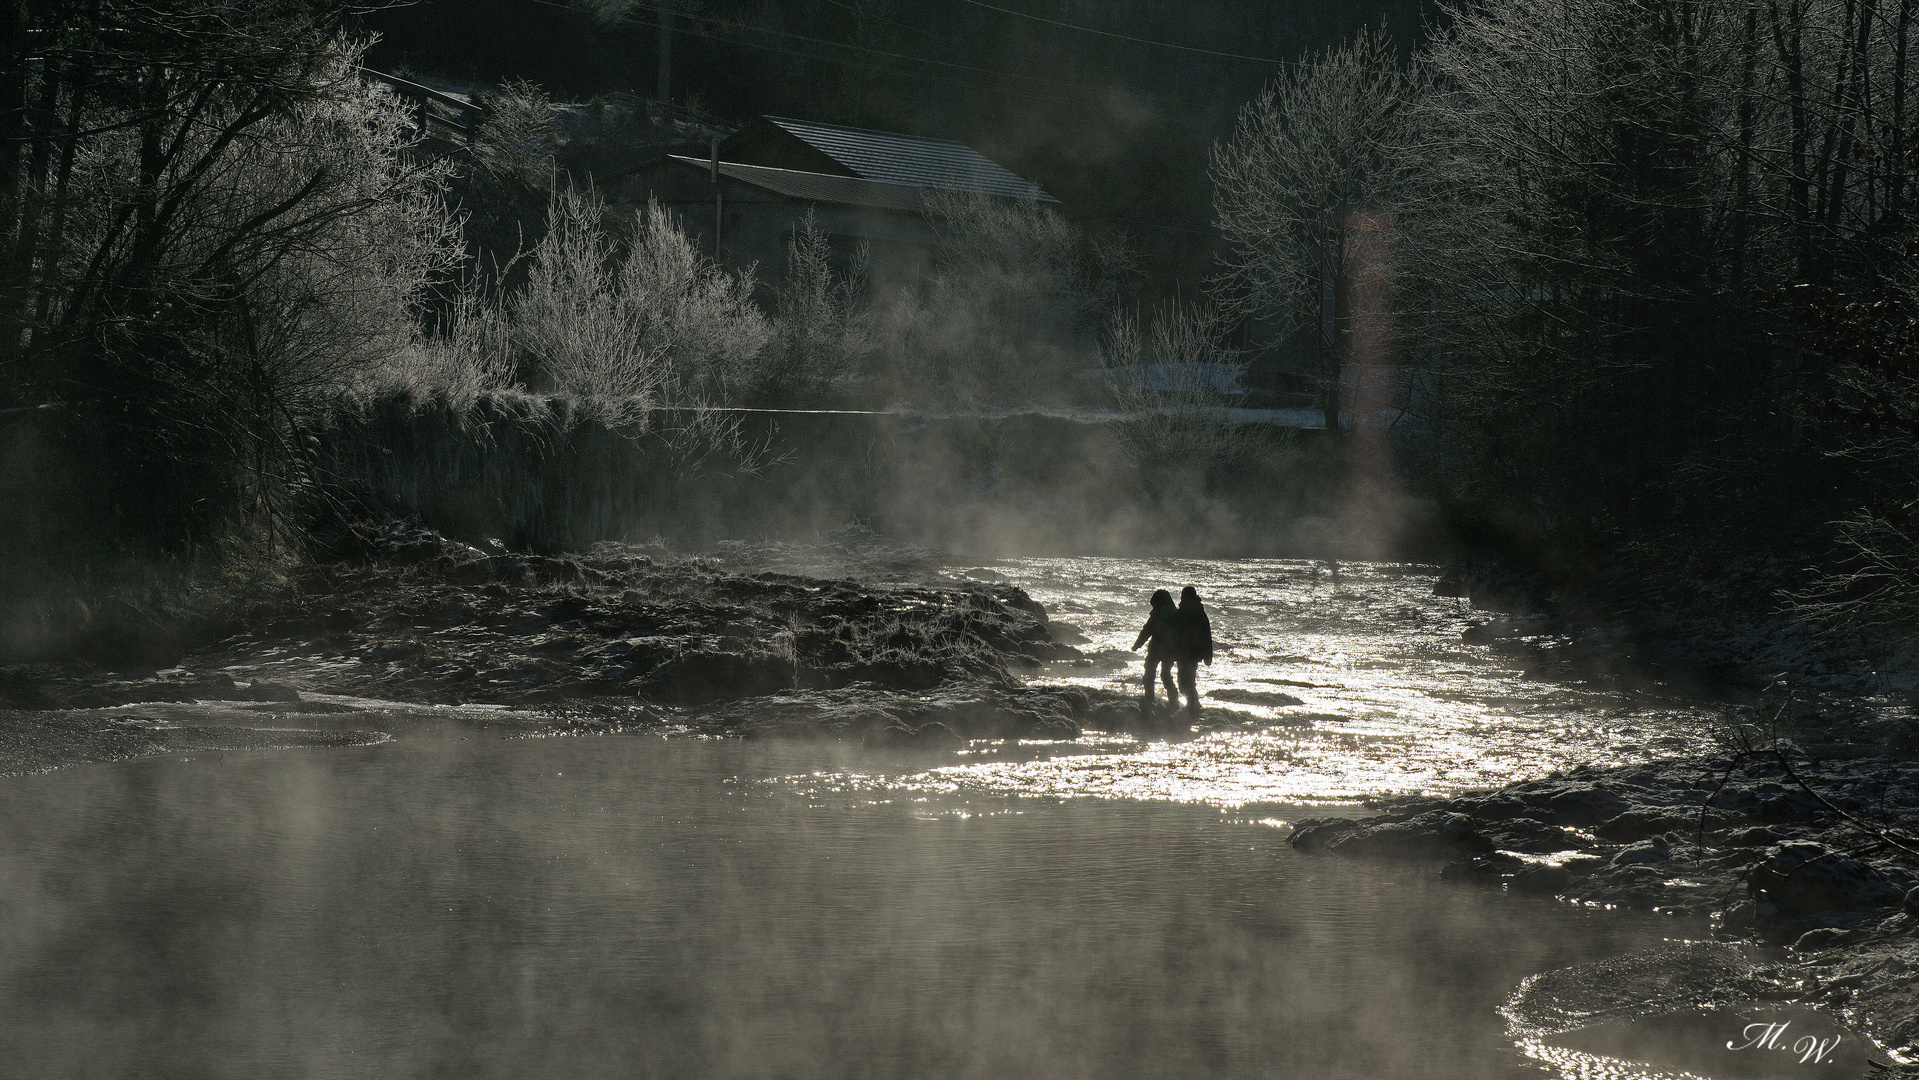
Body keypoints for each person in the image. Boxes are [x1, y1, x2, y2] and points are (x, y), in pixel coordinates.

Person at [1131, 589, 1181, 706]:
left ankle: (1149, 699)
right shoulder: (1176, 614)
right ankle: (1173, 700)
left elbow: (1146, 631)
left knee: (1149, 674)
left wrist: (1137, 645)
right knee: (1166, 675)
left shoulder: (1156, 614)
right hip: (1170, 652)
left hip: (1155, 650)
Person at [1172, 586, 1213, 715]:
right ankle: (1194, 707)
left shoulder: (1182, 612)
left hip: (1185, 653)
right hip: (1194, 654)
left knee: (1184, 683)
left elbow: (1174, 633)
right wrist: (1208, 656)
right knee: (1188, 681)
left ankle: (1194, 707)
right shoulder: (1201, 612)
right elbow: (1207, 635)